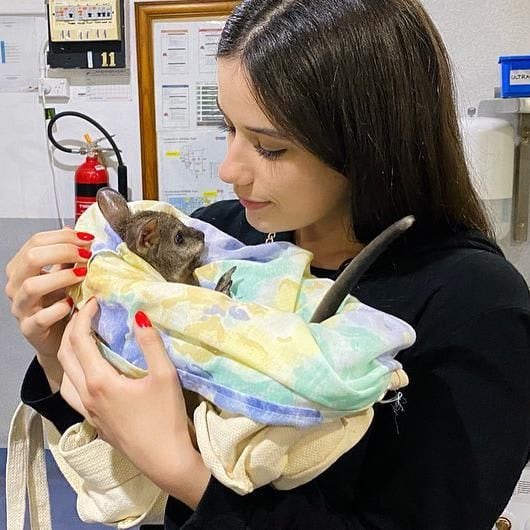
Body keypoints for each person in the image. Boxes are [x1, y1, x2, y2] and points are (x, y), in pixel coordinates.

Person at [5, 0, 530, 528]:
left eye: (270, 148)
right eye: (228, 128)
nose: (230, 168)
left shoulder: (474, 306)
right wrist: (64, 352)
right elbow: (117, 456)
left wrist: (182, 470)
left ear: (371, 141)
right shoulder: (221, 240)